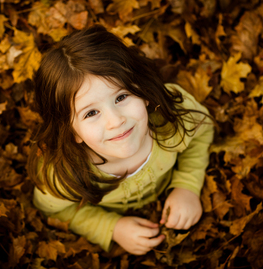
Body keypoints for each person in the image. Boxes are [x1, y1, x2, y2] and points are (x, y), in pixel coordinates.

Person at [27, 25, 214, 255]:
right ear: (72, 131)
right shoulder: (64, 173)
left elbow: (201, 132)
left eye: (122, 96)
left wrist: (187, 185)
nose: (115, 121)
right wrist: (111, 227)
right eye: (91, 113)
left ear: (142, 91)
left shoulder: (172, 116)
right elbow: (55, 211)